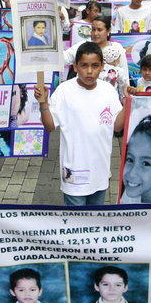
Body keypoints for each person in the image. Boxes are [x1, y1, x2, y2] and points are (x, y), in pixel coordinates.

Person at [34, 42, 127, 206]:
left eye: (95, 66)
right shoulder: (64, 90)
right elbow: (49, 126)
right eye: (84, 65)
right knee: (75, 224)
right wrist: (43, 104)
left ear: (102, 67)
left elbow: (117, 127)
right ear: (75, 66)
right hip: (74, 171)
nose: (89, 71)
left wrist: (128, 104)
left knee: (94, 221)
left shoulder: (108, 90)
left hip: (100, 170)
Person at [81, 266, 147, 303]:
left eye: (118, 285)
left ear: (125, 288)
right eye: (106, 284)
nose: (112, 289)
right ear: (97, 287)